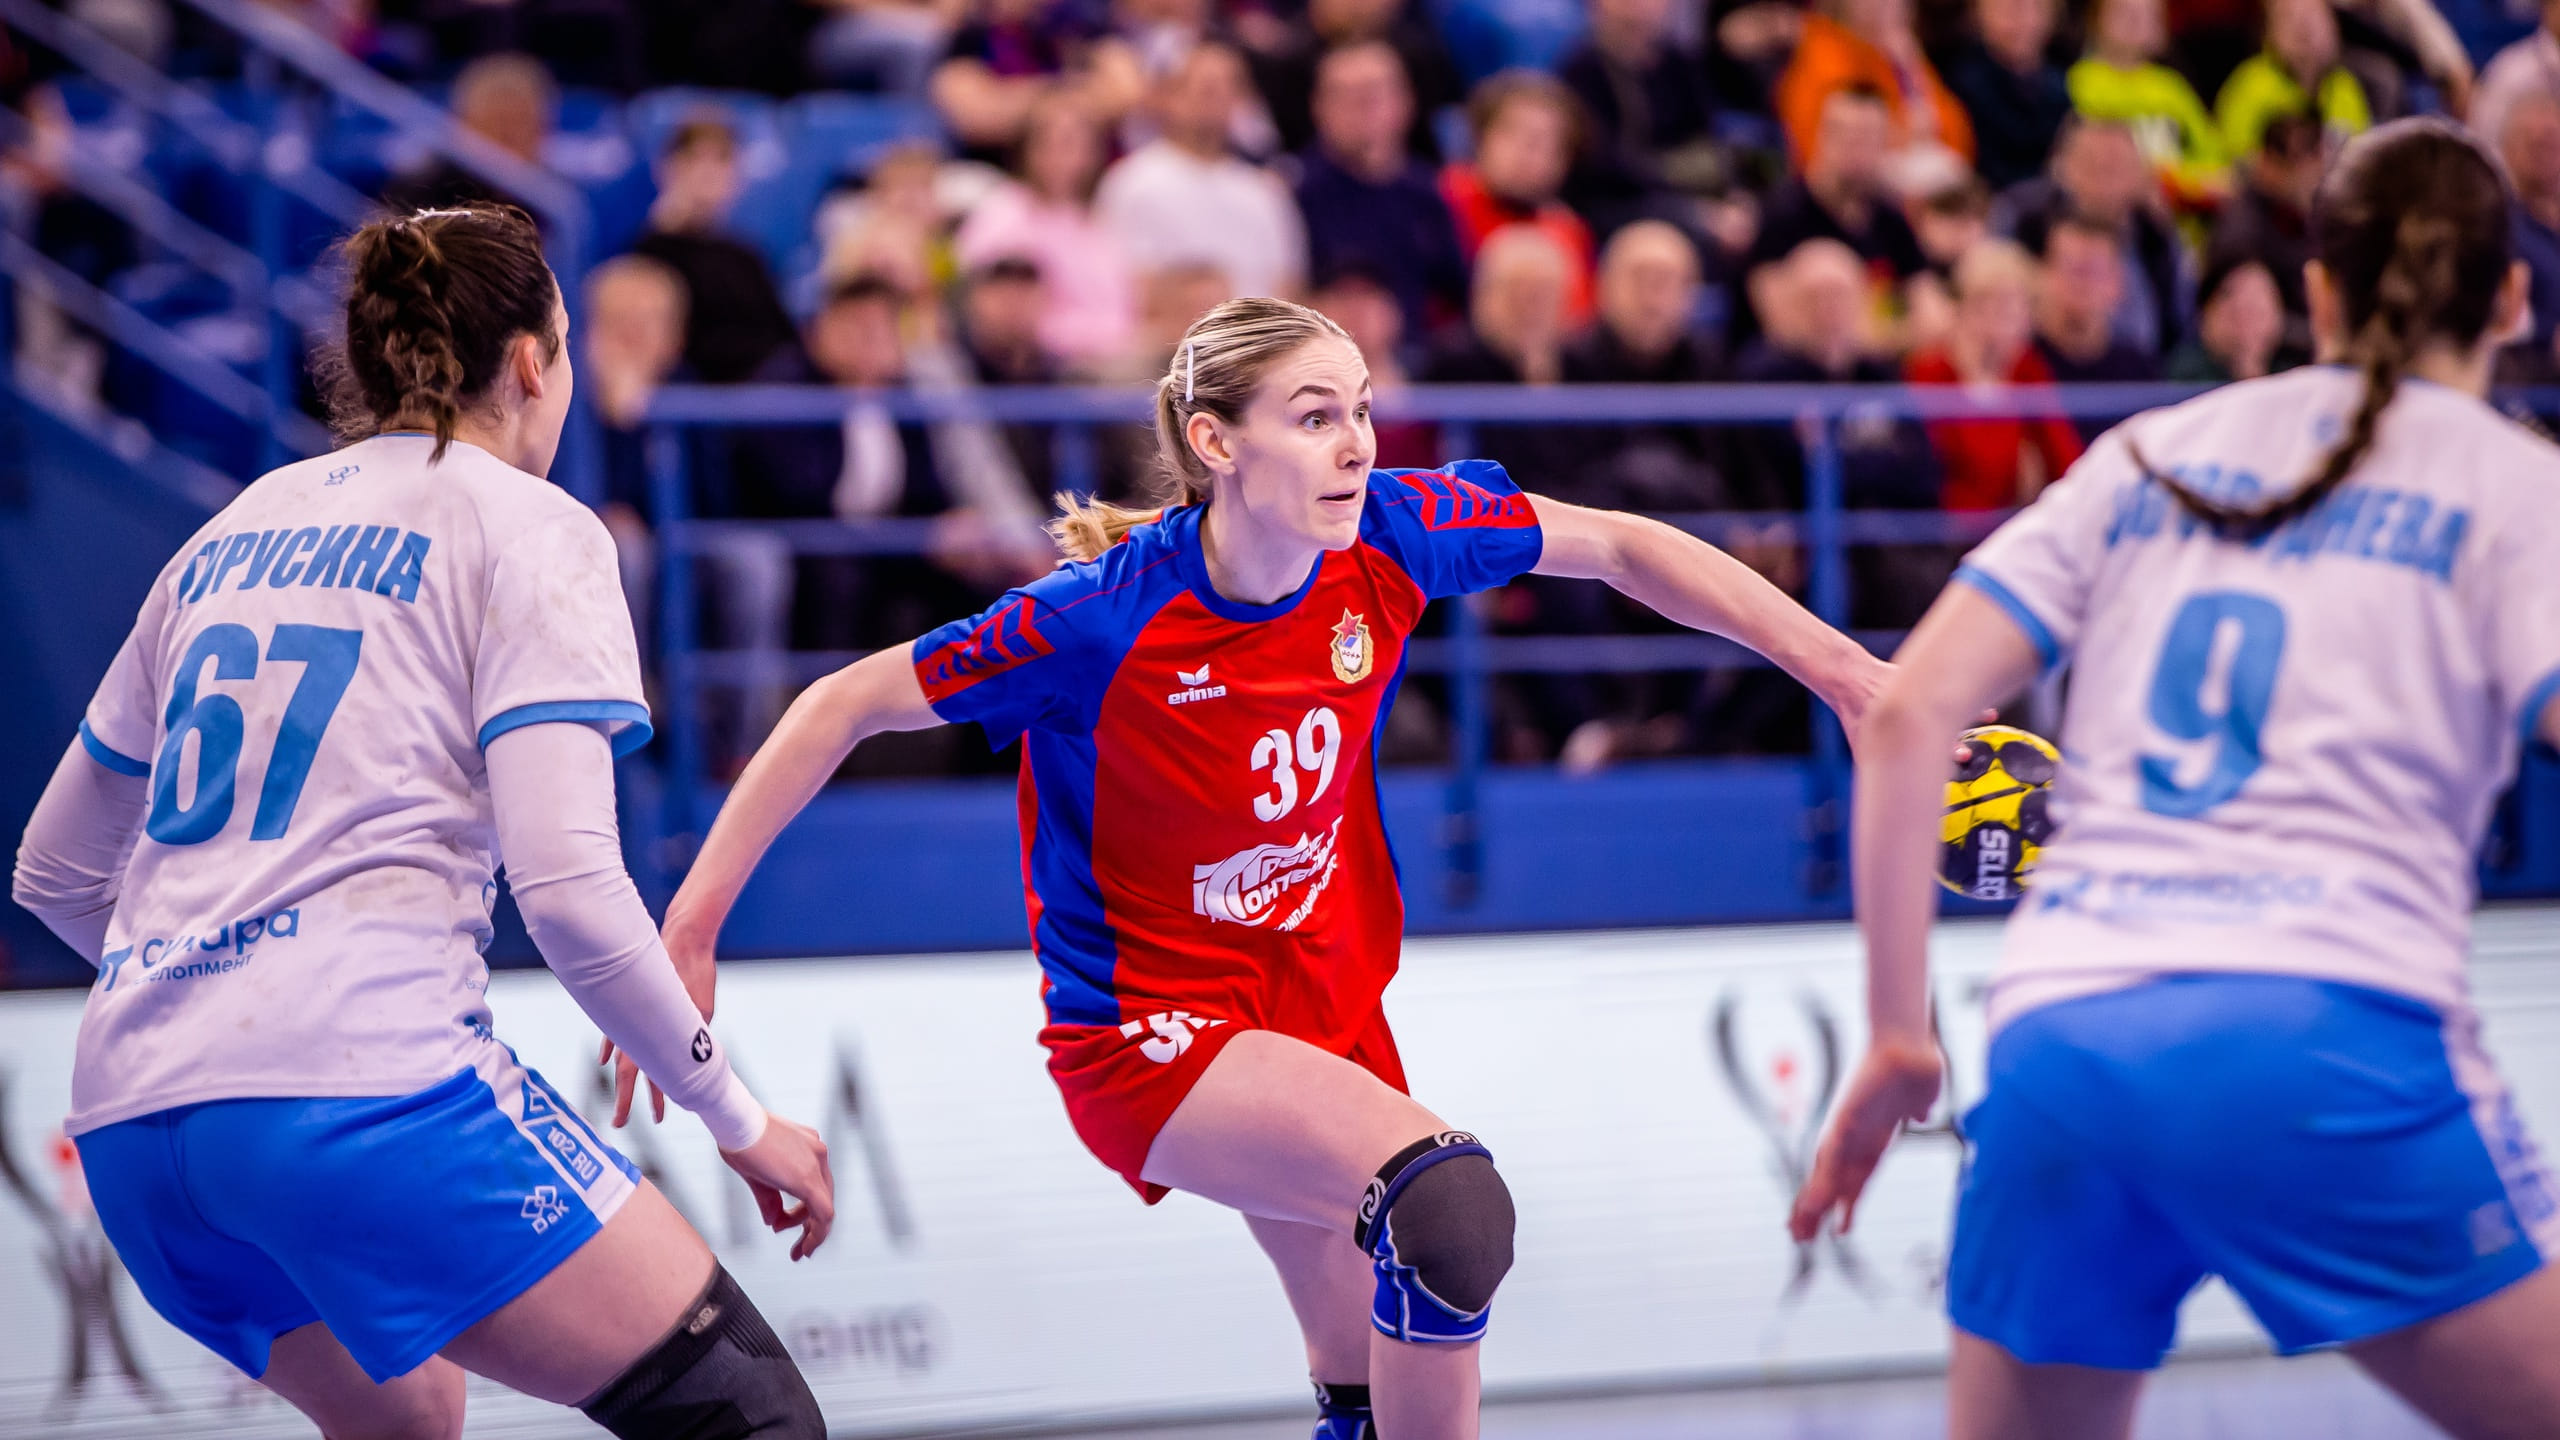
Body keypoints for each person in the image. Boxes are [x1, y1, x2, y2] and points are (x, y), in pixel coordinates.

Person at [631, 295, 1892, 1440]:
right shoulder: (1098, 619)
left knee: (1363, 1387)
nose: (1356, 445)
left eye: (1362, 410)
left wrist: (1849, 678)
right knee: (1450, 1210)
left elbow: (1617, 545)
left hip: (1317, 1009)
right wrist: (692, 924)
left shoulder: (1392, 531)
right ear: (1215, 441)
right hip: (1148, 1030)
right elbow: (840, 704)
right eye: (1314, 416)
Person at [6, 204, 836, 1440]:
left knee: (409, 1421)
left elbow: (54, 871)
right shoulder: (532, 525)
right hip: (363, 1101)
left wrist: (206, 986)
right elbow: (570, 893)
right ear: (534, 364)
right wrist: (739, 1117)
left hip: (132, 1126)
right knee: (751, 1420)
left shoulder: (228, 532)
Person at [1798, 116, 2560, 1440]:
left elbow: (1911, 713)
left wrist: (1897, 1033)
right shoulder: (2515, 483)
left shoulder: (2148, 450)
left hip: (2064, 1034)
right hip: (2327, 1025)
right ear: (2512, 297)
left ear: (2316, 290)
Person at [1095, 41, 1309, 301]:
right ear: (1170, 96)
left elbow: (1288, 286)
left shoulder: (1264, 192)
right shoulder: (1131, 183)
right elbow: (1123, 284)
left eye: (1228, 88)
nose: (1215, 100)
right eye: (1206, 89)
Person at [1291, 40, 1468, 348]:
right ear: (1318, 107)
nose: (1364, 106)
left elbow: (1460, 291)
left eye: (1376, 92)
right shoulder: (1294, 192)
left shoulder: (1427, 192)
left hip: (1413, 360)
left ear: (1407, 102)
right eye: (1347, 94)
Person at [953, 92, 1141, 370]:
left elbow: (1125, 304)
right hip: (1044, 366)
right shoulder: (1002, 214)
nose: (1061, 155)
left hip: (1116, 356)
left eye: (1072, 141)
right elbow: (988, 312)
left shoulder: (1101, 218)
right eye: (1049, 141)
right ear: (1027, 147)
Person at [1906, 237, 2084, 508]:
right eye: (1997, 303)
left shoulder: (2027, 369)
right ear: (1966, 306)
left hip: (2014, 521)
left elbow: (2065, 459)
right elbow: (1928, 474)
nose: (2012, 316)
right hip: (1944, 525)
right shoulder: (1931, 371)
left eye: (2020, 305)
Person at [629, 116, 799, 385]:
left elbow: (781, 338)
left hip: (757, 393)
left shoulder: (748, 257)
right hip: (683, 392)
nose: (707, 173)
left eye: (721, 160)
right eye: (694, 159)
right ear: (668, 169)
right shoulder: (650, 252)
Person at [1438, 70, 1598, 322]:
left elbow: (1577, 322)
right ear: (1481, 137)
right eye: (1513, 132)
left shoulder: (1568, 231)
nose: (1529, 153)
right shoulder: (1440, 202)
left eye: (1548, 143)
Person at [1774, 0, 1976, 181]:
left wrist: (1910, 64)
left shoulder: (1896, 51)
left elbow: (1958, 143)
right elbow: (1831, 165)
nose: (1887, 4)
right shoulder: (1823, 58)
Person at [2066, 0, 2229, 207]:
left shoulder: (2173, 88)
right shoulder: (2076, 83)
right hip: (2097, 208)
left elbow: (2215, 163)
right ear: (2096, 18)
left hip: (2172, 212)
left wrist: (2174, 184)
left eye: (2148, 14)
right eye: (2124, 12)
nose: (2135, 22)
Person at [2216, 0, 2372, 162]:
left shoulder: (2345, 87)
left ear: (2333, 26)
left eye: (2314, 18)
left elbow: (2364, 158)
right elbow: (2237, 165)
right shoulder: (2249, 86)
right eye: (2289, 19)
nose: (2304, 30)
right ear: (2269, 31)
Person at [1940, 0, 2071, 191]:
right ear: (1980, 14)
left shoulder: (2060, 84)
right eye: (2010, 10)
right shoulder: (1965, 82)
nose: (2024, 21)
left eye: (2035, 7)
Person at [2031, 211, 2160, 391]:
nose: (2080, 284)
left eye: (2093, 271)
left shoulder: (2138, 373)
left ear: (2118, 282)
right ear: (2044, 272)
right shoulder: (2015, 364)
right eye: (2071, 268)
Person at [2165, 253, 2289, 380]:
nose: (2248, 328)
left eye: (2258, 312)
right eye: (2237, 314)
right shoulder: (2188, 370)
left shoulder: (2287, 374)